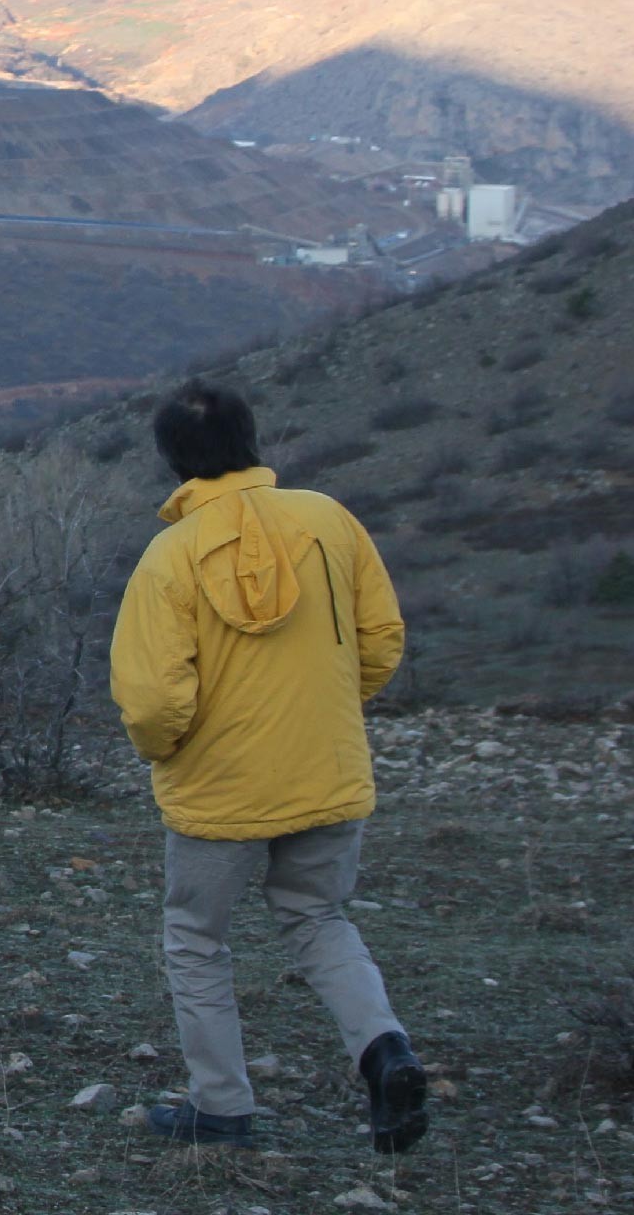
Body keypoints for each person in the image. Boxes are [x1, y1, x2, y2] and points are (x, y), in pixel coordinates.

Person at [108, 381, 427, 1153]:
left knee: (195, 937)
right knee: (319, 917)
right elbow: (380, 637)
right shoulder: (329, 520)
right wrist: (325, 709)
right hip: (327, 771)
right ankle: (385, 1049)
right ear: (253, 440)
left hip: (220, 792)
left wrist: (167, 753)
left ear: (173, 460)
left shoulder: (170, 556)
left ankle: (221, 1107)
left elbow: (153, 701)